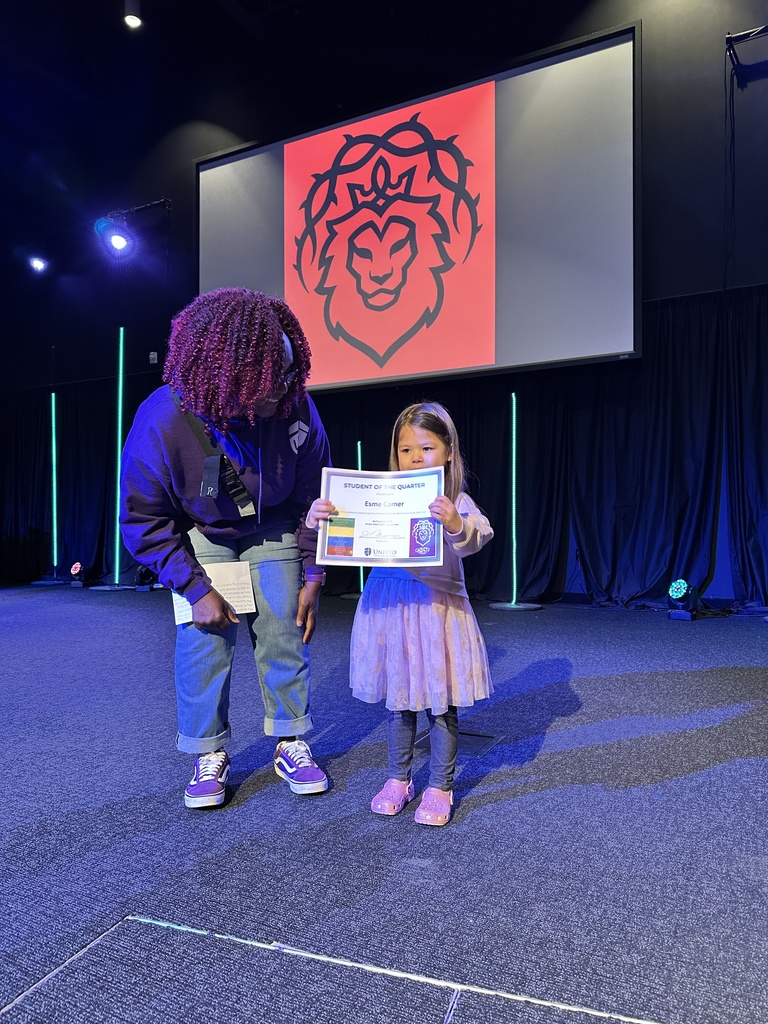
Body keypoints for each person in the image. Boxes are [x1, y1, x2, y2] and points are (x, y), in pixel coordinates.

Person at [120, 288, 332, 809]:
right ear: (221, 376)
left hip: (274, 525)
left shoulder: (294, 405)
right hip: (203, 533)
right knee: (204, 639)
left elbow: (315, 497)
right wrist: (194, 588)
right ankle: (207, 753)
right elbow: (143, 519)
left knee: (284, 627)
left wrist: (313, 574)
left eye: (285, 377)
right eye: (263, 385)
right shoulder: (163, 419)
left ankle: (289, 741)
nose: (278, 394)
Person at [308, 401, 493, 826]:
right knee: (400, 701)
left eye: (426, 448)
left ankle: (440, 785)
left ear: (447, 451)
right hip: (390, 607)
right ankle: (398, 778)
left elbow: (476, 537)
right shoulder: (379, 499)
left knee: (441, 704)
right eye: (406, 449)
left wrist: (455, 524)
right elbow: (344, 537)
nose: (415, 457)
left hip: (436, 611)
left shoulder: (454, 499)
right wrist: (320, 519)